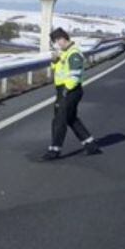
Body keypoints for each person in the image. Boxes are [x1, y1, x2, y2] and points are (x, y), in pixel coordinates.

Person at [42, 28, 101, 160]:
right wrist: (54, 60)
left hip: (69, 90)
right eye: (54, 43)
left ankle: (54, 150)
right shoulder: (64, 53)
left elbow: (75, 76)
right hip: (63, 90)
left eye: (57, 41)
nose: (56, 45)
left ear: (63, 38)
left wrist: (66, 90)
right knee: (71, 119)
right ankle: (90, 144)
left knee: (59, 120)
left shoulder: (74, 54)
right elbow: (58, 68)